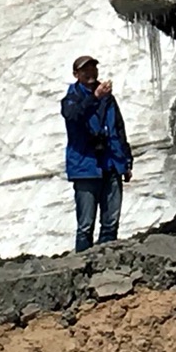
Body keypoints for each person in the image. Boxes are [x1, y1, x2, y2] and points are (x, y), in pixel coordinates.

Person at [62, 55, 132, 251]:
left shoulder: (107, 98)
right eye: (85, 70)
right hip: (85, 166)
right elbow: (73, 116)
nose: (91, 73)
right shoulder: (71, 99)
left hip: (110, 162)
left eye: (93, 69)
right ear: (76, 74)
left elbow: (118, 127)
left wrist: (126, 160)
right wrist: (95, 98)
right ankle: (83, 266)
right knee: (85, 225)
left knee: (111, 220)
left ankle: (106, 261)